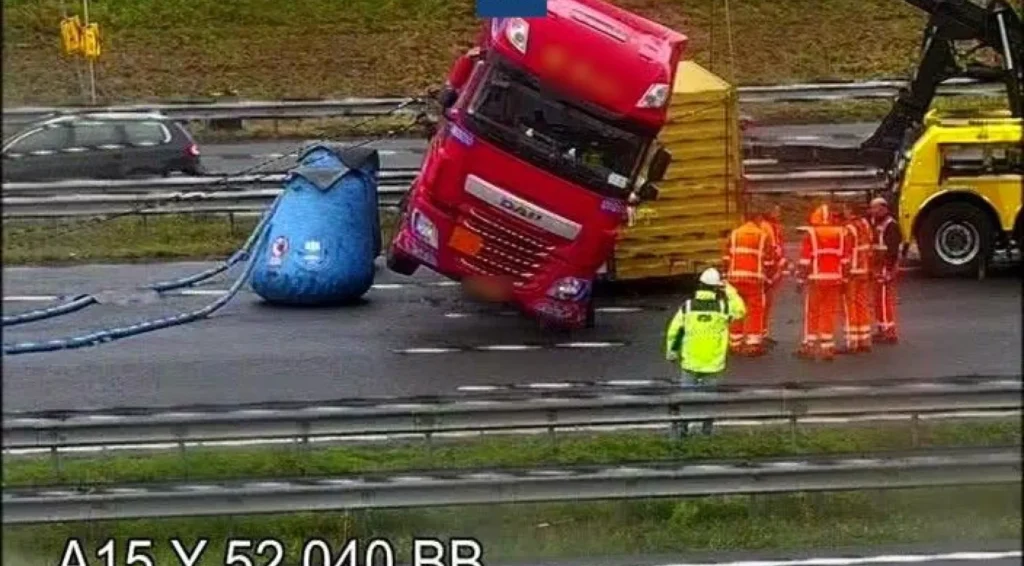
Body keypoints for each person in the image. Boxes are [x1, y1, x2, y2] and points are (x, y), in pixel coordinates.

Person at [664, 267, 746, 436]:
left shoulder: (687, 307)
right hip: (713, 364)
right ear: (717, 287)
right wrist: (730, 290)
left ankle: (682, 431)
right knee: (709, 401)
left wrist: (672, 352)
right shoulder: (723, 308)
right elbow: (741, 310)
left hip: (690, 362)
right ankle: (706, 432)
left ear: (700, 285)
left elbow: (676, 331)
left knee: (685, 399)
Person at [795, 204, 850, 361]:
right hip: (835, 279)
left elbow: (805, 261)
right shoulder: (841, 233)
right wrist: (845, 279)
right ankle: (827, 347)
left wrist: (800, 280)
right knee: (829, 312)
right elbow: (845, 260)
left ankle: (809, 345)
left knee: (812, 312)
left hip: (816, 279)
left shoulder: (811, 234)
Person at [722, 213, 777, 356]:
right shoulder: (762, 236)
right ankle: (752, 344)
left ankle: (735, 343)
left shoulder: (734, 234)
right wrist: (769, 278)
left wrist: (726, 275)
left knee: (736, 310)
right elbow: (769, 261)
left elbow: (726, 258)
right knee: (755, 311)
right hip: (754, 280)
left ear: (743, 219)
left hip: (734, 279)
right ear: (757, 219)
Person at [840, 203, 875, 353]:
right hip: (864, 270)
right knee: (862, 304)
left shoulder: (849, 228)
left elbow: (846, 253)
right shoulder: (865, 225)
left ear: (850, 211)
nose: (844, 212)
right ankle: (865, 340)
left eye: (845, 210)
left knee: (850, 306)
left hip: (852, 272)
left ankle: (852, 342)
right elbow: (869, 245)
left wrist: (844, 273)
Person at [869, 197, 903, 344]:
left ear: (883, 208)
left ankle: (889, 332)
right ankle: (882, 328)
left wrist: (889, 270)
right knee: (878, 300)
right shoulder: (876, 223)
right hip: (878, 266)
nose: (872, 211)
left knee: (884, 300)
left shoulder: (891, 226)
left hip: (885, 267)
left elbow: (892, 250)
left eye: (875, 208)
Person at [759, 205, 787, 345]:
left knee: (766, 304)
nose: (779, 213)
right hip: (767, 271)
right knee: (763, 303)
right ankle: (759, 334)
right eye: (776, 211)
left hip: (770, 270)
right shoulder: (766, 227)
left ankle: (763, 333)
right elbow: (772, 249)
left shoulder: (772, 226)